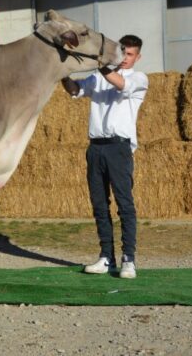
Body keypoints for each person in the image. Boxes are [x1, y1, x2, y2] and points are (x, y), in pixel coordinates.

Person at [60, 35, 148, 279]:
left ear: (137, 57)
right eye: (123, 53)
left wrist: (100, 62)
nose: (126, 58)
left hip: (119, 148)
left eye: (130, 54)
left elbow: (119, 83)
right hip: (95, 147)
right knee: (99, 205)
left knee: (124, 204)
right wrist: (63, 72)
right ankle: (106, 257)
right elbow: (75, 91)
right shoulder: (99, 76)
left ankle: (128, 259)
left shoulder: (139, 78)